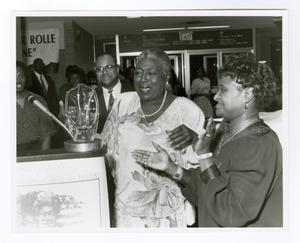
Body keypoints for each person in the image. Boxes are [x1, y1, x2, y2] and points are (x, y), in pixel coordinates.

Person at [132, 53, 282, 227]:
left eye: (223, 90)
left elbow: (230, 211)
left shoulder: (258, 144)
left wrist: (204, 157)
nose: (216, 96)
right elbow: (204, 191)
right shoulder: (225, 133)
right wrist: (171, 168)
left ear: (247, 94)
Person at [100, 48, 205, 227]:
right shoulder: (123, 104)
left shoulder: (186, 110)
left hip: (169, 216)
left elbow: (202, 167)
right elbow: (105, 151)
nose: (143, 79)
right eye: (139, 73)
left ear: (166, 76)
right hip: (127, 214)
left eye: (151, 73)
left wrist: (195, 139)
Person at [16, 61, 56, 153]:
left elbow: (47, 135)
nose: (18, 80)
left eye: (20, 76)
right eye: (13, 77)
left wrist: (42, 158)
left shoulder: (38, 100)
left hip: (36, 152)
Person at [95, 54, 134, 134]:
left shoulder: (134, 94)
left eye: (109, 67)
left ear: (117, 69)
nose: (104, 72)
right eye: (99, 69)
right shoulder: (90, 97)